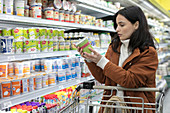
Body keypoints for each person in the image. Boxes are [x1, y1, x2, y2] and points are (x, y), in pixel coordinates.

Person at [77, 6, 158, 113]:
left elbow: (131, 80)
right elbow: (103, 78)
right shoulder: (114, 47)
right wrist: (90, 60)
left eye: (122, 25)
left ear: (136, 25)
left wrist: (101, 61)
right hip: (111, 107)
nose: (117, 29)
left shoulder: (148, 53)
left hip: (136, 107)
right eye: (116, 25)